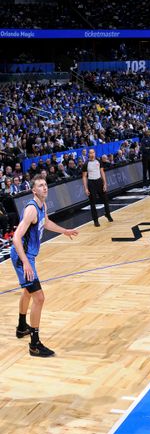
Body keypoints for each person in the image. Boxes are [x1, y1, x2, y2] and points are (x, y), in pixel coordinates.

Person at [10, 174, 79, 357]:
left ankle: (22, 327)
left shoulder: (43, 206)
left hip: (28, 256)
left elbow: (45, 222)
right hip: (21, 257)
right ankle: (34, 344)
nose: (45, 188)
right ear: (34, 190)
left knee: (28, 291)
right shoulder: (31, 209)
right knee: (39, 298)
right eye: (40, 186)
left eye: (45, 185)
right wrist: (25, 263)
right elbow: (16, 238)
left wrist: (65, 231)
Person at [82, 148, 112, 227]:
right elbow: (84, 177)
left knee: (105, 199)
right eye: (90, 153)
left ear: (95, 153)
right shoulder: (86, 164)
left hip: (99, 182)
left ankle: (107, 214)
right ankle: (95, 220)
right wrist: (86, 188)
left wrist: (105, 183)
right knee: (92, 203)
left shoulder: (99, 161)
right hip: (91, 183)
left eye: (93, 153)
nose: (92, 154)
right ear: (88, 154)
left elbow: (102, 172)